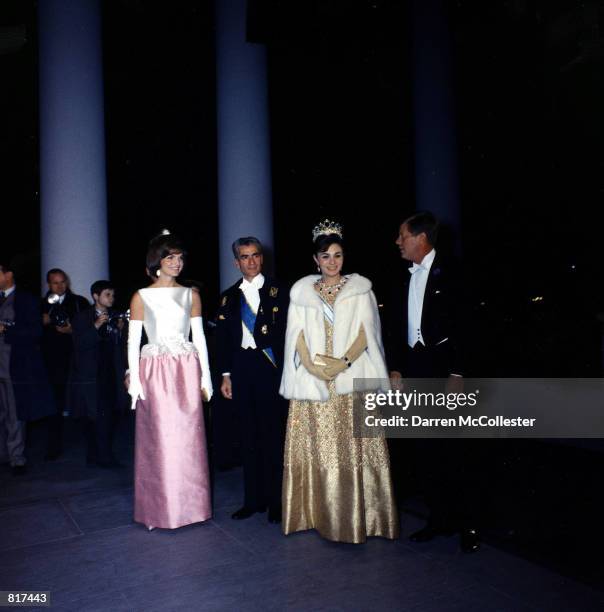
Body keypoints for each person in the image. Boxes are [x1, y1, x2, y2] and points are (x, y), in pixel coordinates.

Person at [279, 220, 399, 543]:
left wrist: (343, 363)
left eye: (337, 255)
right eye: (326, 256)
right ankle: (315, 515)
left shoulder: (360, 290)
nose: (332, 262)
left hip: (350, 376)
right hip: (315, 380)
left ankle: (359, 519)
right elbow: (296, 337)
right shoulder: (302, 293)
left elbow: (367, 334)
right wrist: (314, 368)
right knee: (319, 449)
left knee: (352, 449)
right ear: (315, 259)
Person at [385, 211, 479, 553]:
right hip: (416, 368)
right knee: (426, 448)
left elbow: (468, 326)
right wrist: (396, 366)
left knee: (455, 448)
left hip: (446, 371)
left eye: (402, 235)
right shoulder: (402, 277)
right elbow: (396, 327)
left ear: (420, 238)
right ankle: (438, 519)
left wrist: (458, 371)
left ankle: (467, 523)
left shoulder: (455, 272)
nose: (398, 242)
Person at [127, 232, 212, 530]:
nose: (177, 263)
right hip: (155, 370)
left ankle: (192, 508)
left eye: (180, 257)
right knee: (160, 440)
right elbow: (133, 340)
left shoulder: (191, 294)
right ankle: (158, 509)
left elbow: (199, 338)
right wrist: (135, 380)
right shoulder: (142, 296)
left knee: (189, 438)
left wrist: (207, 379)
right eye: (170, 257)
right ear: (157, 261)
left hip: (186, 368)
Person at [215, 237, 289, 524]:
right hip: (242, 369)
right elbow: (222, 341)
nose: (251, 261)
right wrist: (225, 374)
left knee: (273, 435)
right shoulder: (228, 297)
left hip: (270, 367)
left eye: (255, 255)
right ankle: (252, 500)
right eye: (245, 257)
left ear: (262, 258)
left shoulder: (280, 290)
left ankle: (276, 501)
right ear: (237, 262)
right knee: (247, 436)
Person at [0, 261, 55, 475]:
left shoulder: (26, 300)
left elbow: (34, 332)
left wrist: (6, 329)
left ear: (9, 274)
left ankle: (16, 458)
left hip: (14, 366)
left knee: (14, 413)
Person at [70, 280, 128, 468]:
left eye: (112, 294)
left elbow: (122, 346)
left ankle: (104, 456)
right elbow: (79, 345)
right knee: (91, 417)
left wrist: (120, 330)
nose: (112, 298)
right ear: (96, 296)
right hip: (91, 377)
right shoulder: (82, 317)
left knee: (108, 417)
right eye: (107, 294)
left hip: (111, 374)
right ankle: (95, 455)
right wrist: (95, 326)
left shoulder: (116, 316)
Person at [41, 268, 89, 460]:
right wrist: (42, 322)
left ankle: (89, 444)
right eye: (55, 283)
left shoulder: (79, 302)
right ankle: (54, 445)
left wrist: (72, 331)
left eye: (63, 282)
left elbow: (89, 329)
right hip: (51, 361)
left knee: (82, 399)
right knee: (54, 403)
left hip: (77, 358)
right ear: (48, 284)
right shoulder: (41, 305)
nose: (60, 286)